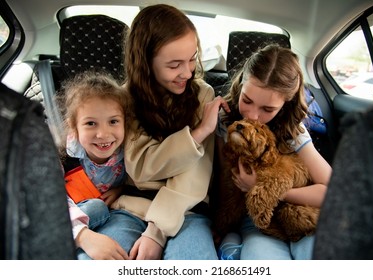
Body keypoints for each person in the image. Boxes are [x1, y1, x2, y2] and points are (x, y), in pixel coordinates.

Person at [110, 3, 229, 260]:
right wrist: (196, 134)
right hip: (132, 206)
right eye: (174, 65)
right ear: (145, 62)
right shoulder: (124, 98)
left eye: (192, 59)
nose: (187, 72)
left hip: (188, 210)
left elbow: (194, 175)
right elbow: (141, 167)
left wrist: (157, 231)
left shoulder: (203, 94)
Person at [215, 44, 332, 260]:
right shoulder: (225, 122)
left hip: (302, 211)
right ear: (241, 85)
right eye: (247, 100)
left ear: (285, 105)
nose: (252, 116)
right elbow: (224, 184)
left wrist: (269, 190)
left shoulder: (294, 131)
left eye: (268, 109)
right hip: (257, 219)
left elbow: (333, 191)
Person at [58, 70, 131, 260]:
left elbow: (142, 182)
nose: (103, 134)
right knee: (96, 208)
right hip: (70, 220)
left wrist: (121, 189)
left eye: (113, 121)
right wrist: (82, 236)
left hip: (114, 216)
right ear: (74, 127)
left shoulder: (130, 153)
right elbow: (50, 201)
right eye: (91, 123)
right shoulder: (63, 155)